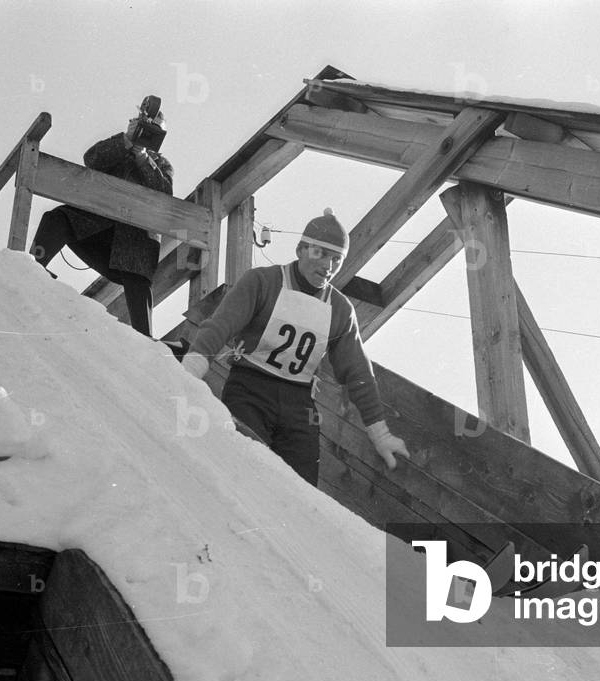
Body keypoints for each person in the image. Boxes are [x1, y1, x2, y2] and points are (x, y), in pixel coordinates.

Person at [180, 209, 409, 485]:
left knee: (301, 487)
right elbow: (221, 325)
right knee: (244, 470)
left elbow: (358, 371)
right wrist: (190, 370)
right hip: (251, 388)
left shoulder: (339, 310)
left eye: (336, 259)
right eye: (320, 254)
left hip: (299, 403)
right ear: (301, 249)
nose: (328, 265)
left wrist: (380, 433)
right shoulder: (263, 282)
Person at [31, 101, 173, 337]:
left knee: (136, 279)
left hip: (133, 244)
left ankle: (145, 339)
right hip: (98, 230)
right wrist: (126, 141)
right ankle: (33, 267)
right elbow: (92, 158)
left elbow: (164, 193)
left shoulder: (161, 164)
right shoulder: (119, 151)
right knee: (58, 218)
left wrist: (144, 159)